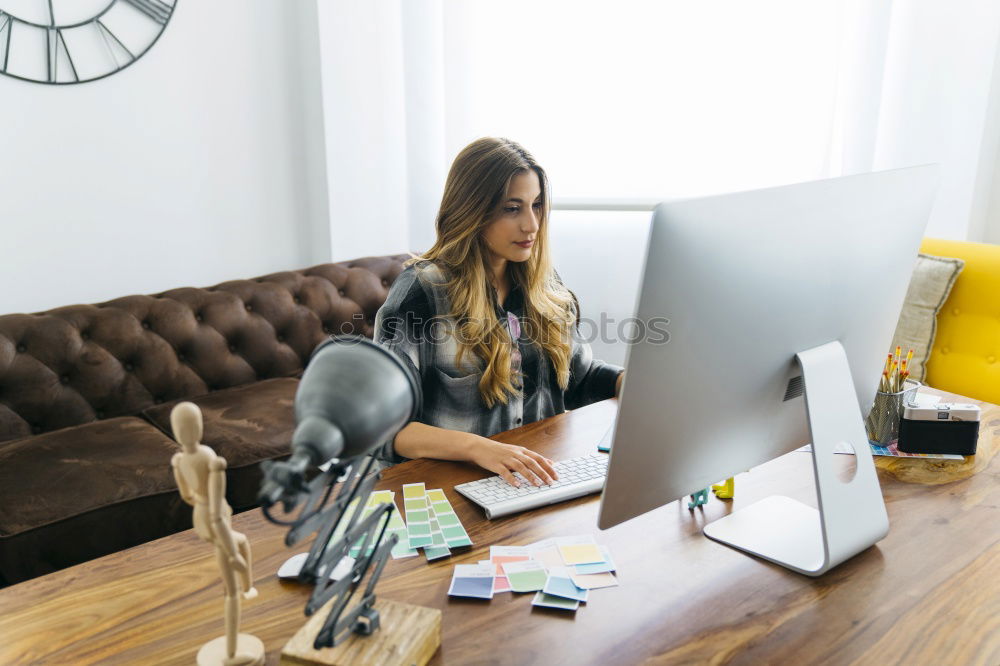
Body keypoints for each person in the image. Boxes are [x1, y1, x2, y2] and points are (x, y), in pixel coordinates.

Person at [374, 137, 624, 488]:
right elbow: (383, 428)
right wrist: (479, 448)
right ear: (472, 210)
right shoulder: (422, 292)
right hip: (450, 487)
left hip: (537, 481)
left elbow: (577, 378)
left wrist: (627, 383)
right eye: (512, 208)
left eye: (536, 205)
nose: (532, 225)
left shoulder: (543, 283)